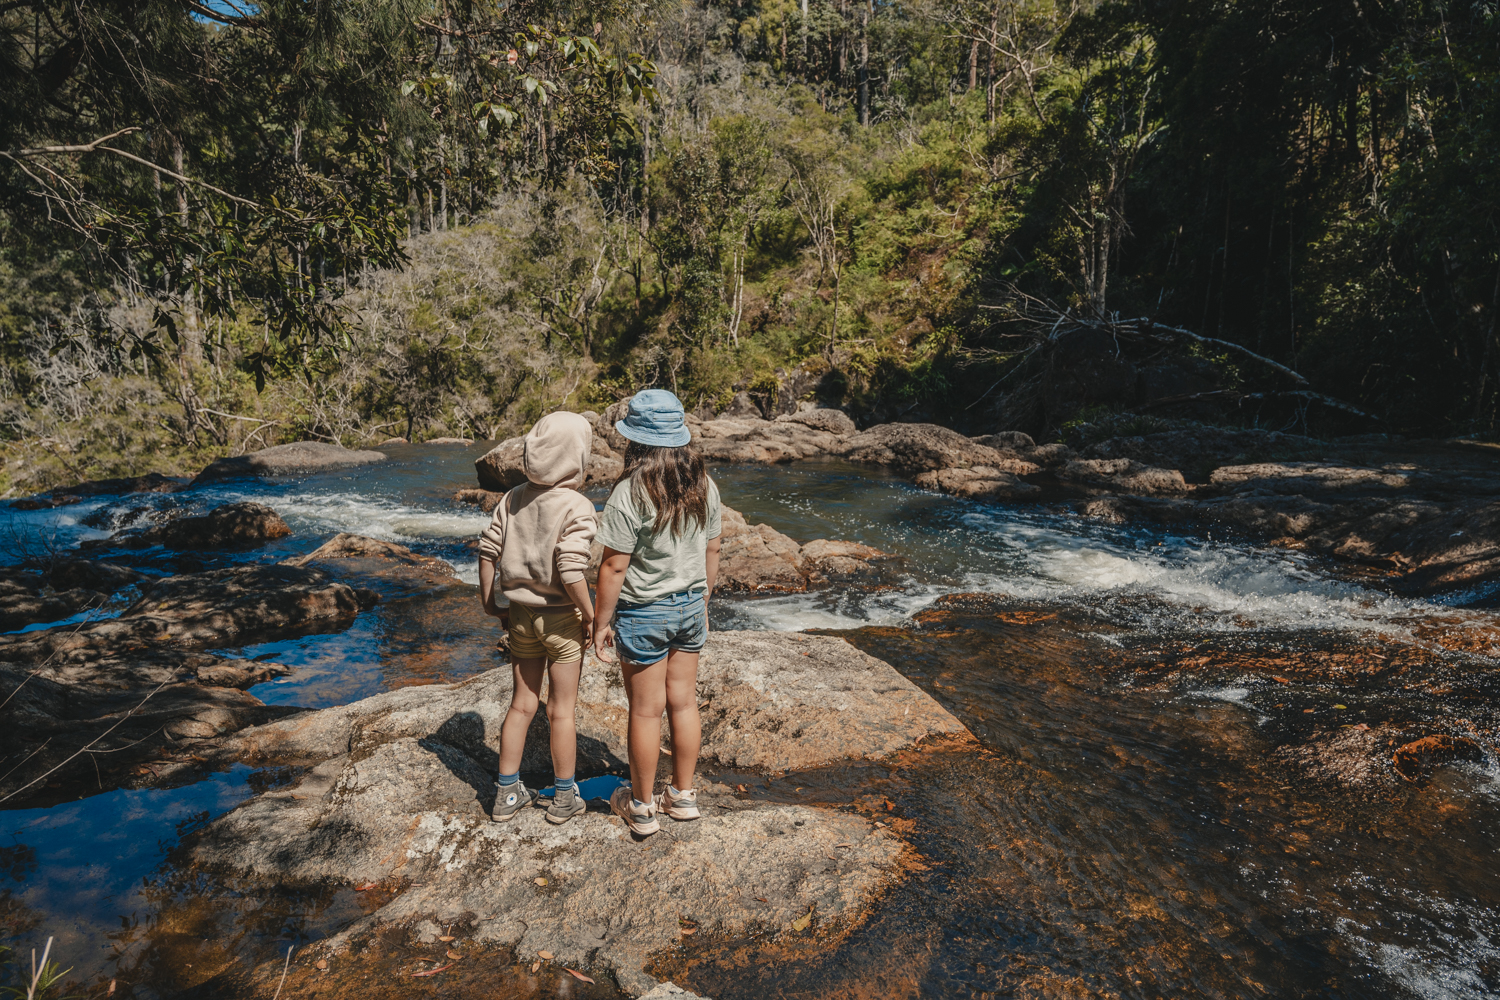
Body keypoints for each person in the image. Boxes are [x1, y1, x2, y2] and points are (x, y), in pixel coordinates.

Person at [593, 389, 722, 836]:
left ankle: (643, 807)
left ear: (635, 442)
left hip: (643, 612)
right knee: (683, 702)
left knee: (646, 712)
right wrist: (703, 597)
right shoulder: (703, 484)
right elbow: (713, 545)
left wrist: (600, 622)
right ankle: (683, 797)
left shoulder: (630, 492)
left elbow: (613, 566)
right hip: (689, 605)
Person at [476, 411, 598, 825]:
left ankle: (506, 794)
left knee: (522, 704)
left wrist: (492, 604)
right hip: (562, 619)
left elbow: (488, 550)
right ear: (577, 457)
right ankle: (565, 798)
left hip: (521, 616)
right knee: (561, 711)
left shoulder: (511, 499)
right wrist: (592, 613)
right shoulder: (578, 505)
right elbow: (570, 567)